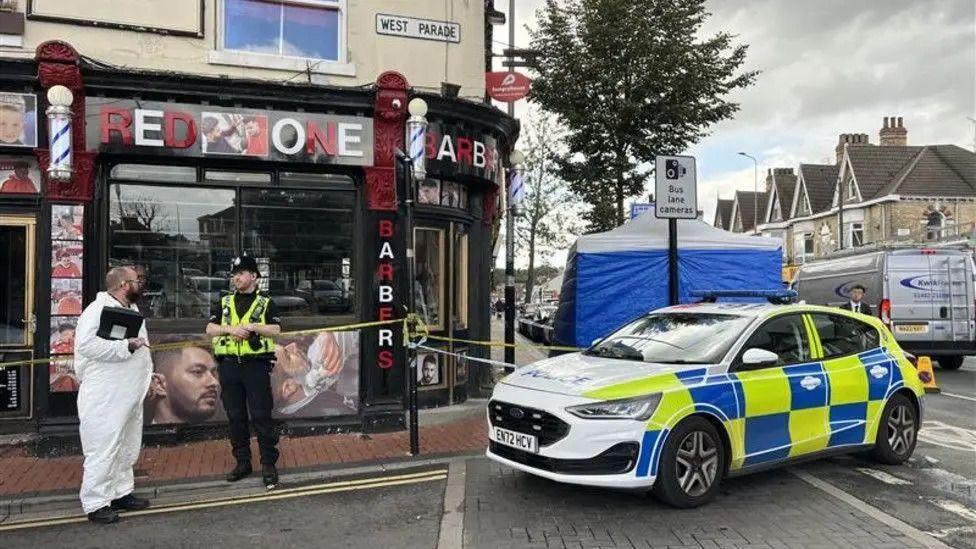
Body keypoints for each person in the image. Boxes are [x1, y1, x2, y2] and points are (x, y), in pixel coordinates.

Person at [74, 266, 152, 524]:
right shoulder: (96, 311)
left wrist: (150, 374)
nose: (140, 284)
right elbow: (87, 345)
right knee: (103, 447)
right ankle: (96, 502)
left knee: (127, 445)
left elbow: (139, 350)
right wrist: (124, 346)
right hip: (105, 394)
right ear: (123, 285)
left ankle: (121, 492)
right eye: (136, 281)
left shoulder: (130, 309)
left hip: (128, 391)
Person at [205, 254, 282, 489]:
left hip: (255, 366)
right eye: (234, 274)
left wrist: (254, 326)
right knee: (236, 417)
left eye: (241, 273)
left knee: (261, 416)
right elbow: (209, 328)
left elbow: (276, 329)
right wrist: (231, 329)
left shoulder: (266, 302)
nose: (236, 278)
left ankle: (268, 464)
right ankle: (243, 462)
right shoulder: (225, 301)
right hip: (229, 366)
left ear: (254, 277)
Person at [147, 347, 220, 425]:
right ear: (159, 384)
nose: (214, 382)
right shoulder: (136, 436)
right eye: (198, 372)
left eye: (213, 373)